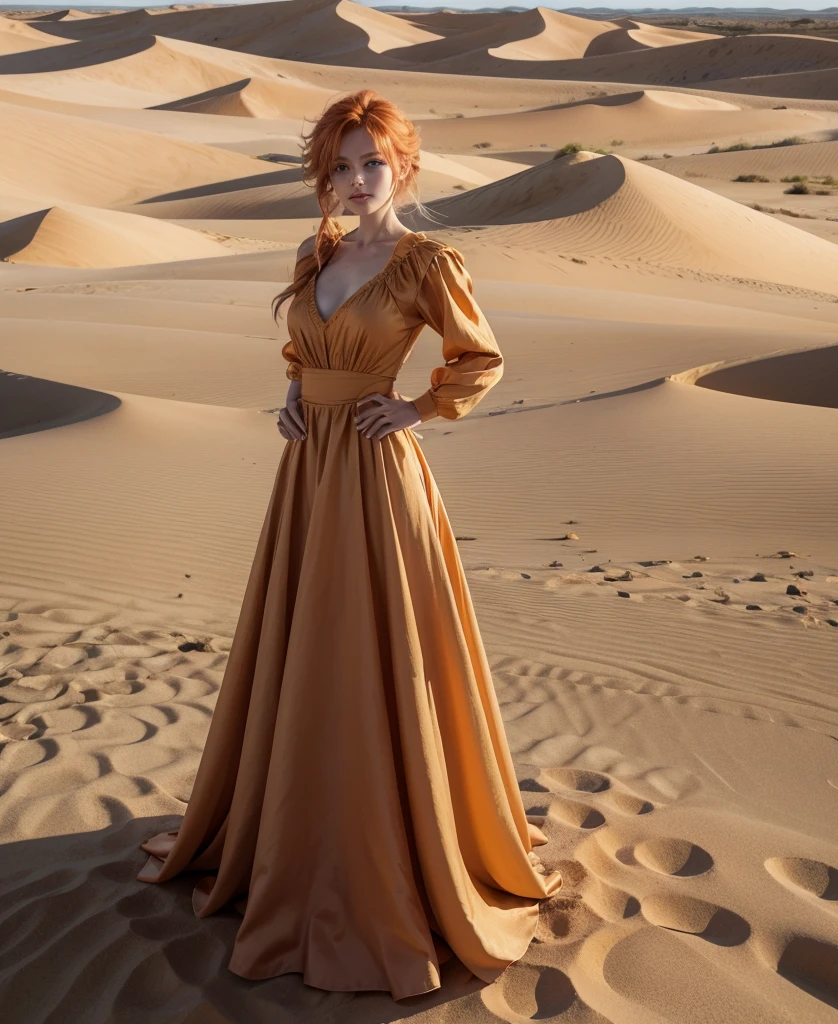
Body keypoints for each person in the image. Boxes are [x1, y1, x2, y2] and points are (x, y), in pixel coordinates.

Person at [137, 89, 562, 1000]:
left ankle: (389, 837)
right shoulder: (317, 250)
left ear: (403, 167)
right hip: (307, 473)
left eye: (373, 162)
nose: (357, 179)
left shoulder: (424, 262)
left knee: (381, 651)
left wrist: (417, 405)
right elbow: (303, 352)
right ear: (322, 173)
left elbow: (479, 357)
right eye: (340, 164)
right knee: (306, 642)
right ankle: (295, 819)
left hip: (375, 475)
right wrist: (298, 393)